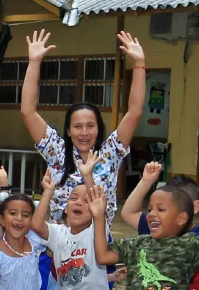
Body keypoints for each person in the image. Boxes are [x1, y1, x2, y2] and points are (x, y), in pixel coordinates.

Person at [22, 29, 146, 226]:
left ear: (99, 128)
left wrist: (139, 64)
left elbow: (135, 112)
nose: (84, 132)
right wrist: (34, 62)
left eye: (90, 126)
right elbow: (28, 112)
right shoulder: (57, 151)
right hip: (59, 243)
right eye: (77, 126)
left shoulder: (110, 152)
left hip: (96, 244)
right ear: (69, 131)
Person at [94, 155, 199, 290]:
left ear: (181, 218)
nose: (152, 214)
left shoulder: (190, 244)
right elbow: (103, 256)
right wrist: (99, 217)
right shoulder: (137, 244)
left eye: (160, 209)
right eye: (149, 209)